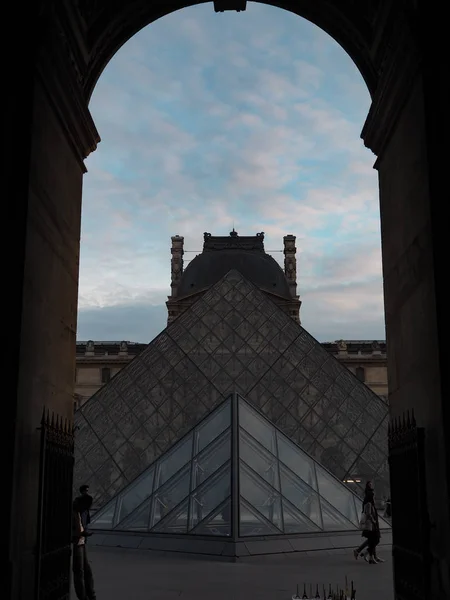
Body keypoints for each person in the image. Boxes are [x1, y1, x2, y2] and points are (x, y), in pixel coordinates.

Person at [353, 481, 385, 563]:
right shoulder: (369, 503)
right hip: (371, 525)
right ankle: (367, 554)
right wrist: (374, 521)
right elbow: (369, 514)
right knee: (374, 540)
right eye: (373, 496)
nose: (374, 498)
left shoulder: (370, 503)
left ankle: (371, 556)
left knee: (371, 540)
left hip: (372, 524)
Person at [72, 494, 96, 600]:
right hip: (77, 543)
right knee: (80, 571)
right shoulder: (74, 512)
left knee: (85, 571)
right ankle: (84, 596)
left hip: (81, 542)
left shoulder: (79, 511)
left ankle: (90, 594)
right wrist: (82, 534)